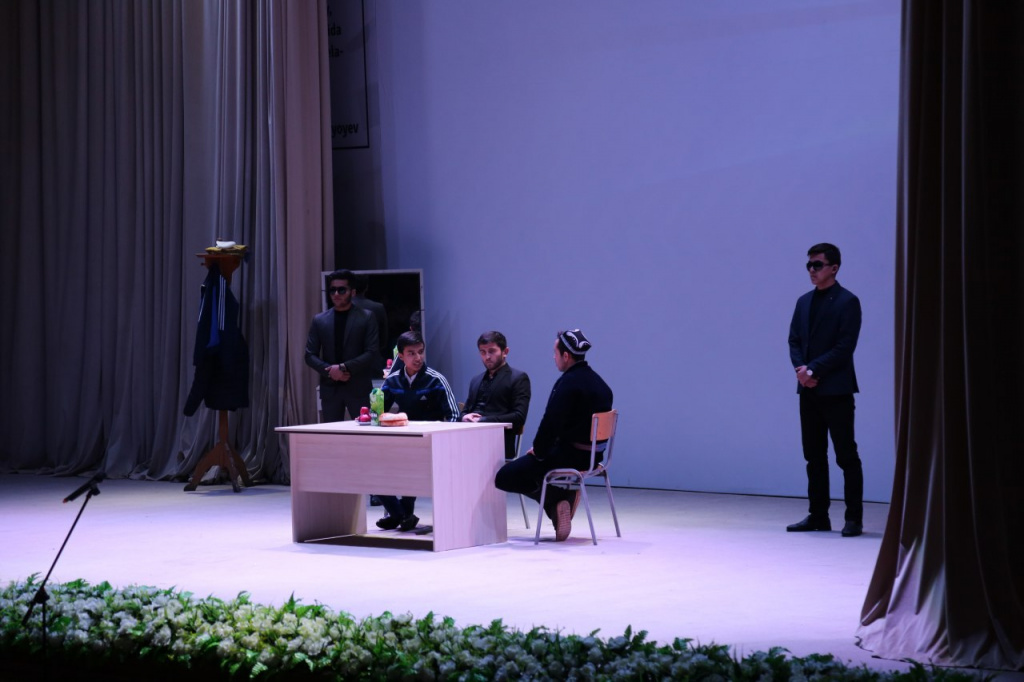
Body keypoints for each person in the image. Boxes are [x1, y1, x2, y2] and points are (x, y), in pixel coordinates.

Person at [494, 329, 613, 542]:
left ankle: (558, 498)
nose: (553, 357)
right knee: (530, 469)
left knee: (505, 477)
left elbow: (550, 423)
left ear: (566, 356)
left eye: (555, 353)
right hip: (594, 457)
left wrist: (539, 451)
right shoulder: (602, 385)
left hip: (570, 457)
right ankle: (559, 500)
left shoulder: (567, 384)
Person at [787, 243, 864, 537]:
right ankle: (818, 515)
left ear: (834, 268)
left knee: (846, 455)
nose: (811, 270)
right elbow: (794, 340)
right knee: (814, 455)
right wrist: (801, 371)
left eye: (817, 265)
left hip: (836, 390)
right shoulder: (803, 302)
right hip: (808, 390)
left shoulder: (848, 301)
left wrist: (813, 370)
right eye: (809, 265)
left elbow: (845, 346)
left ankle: (853, 518)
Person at [375, 330, 460, 531]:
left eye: (420, 352)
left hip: (431, 443)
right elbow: (377, 413)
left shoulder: (436, 379)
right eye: (411, 353)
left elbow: (455, 416)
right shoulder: (393, 380)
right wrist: (371, 415)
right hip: (403, 440)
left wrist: (444, 440)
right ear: (401, 356)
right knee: (373, 465)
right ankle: (400, 513)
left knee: (408, 463)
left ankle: (401, 514)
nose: (418, 358)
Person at [304, 269, 380, 422]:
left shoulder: (366, 317)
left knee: (365, 432)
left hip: (359, 387)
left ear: (353, 292)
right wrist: (331, 371)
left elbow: (372, 352)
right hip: (330, 388)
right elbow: (309, 355)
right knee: (331, 434)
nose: (336, 294)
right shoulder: (320, 320)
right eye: (332, 290)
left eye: (341, 290)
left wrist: (343, 367)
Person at [460, 331, 532, 459]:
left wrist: (483, 421)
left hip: (498, 445)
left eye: (492, 351)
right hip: (468, 442)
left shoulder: (518, 378)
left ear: (505, 352)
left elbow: (519, 417)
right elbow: (465, 411)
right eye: (483, 352)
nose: (487, 357)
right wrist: (464, 417)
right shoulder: (476, 380)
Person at [352, 274, 389, 371]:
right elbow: (383, 340)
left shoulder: (341, 308)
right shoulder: (378, 307)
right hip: (373, 362)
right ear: (366, 287)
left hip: (348, 364)